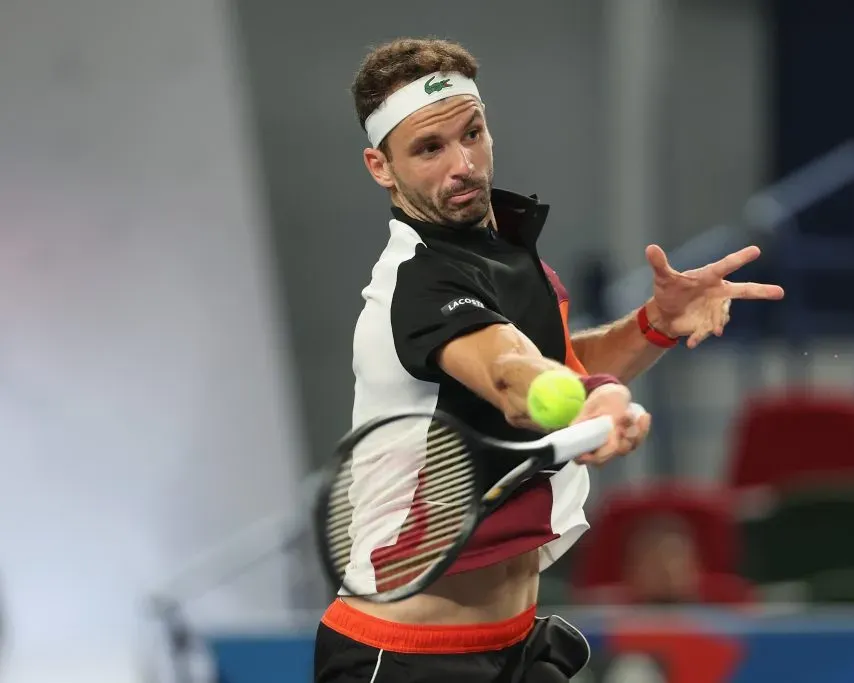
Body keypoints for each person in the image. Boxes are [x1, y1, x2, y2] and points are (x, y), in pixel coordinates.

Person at [314, 37, 784, 683]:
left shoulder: (501, 249)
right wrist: (593, 398)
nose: (464, 165)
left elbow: (556, 357)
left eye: (472, 133)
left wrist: (654, 325)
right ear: (380, 166)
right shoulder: (418, 284)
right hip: (405, 659)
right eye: (430, 148)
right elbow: (512, 375)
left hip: (513, 644)